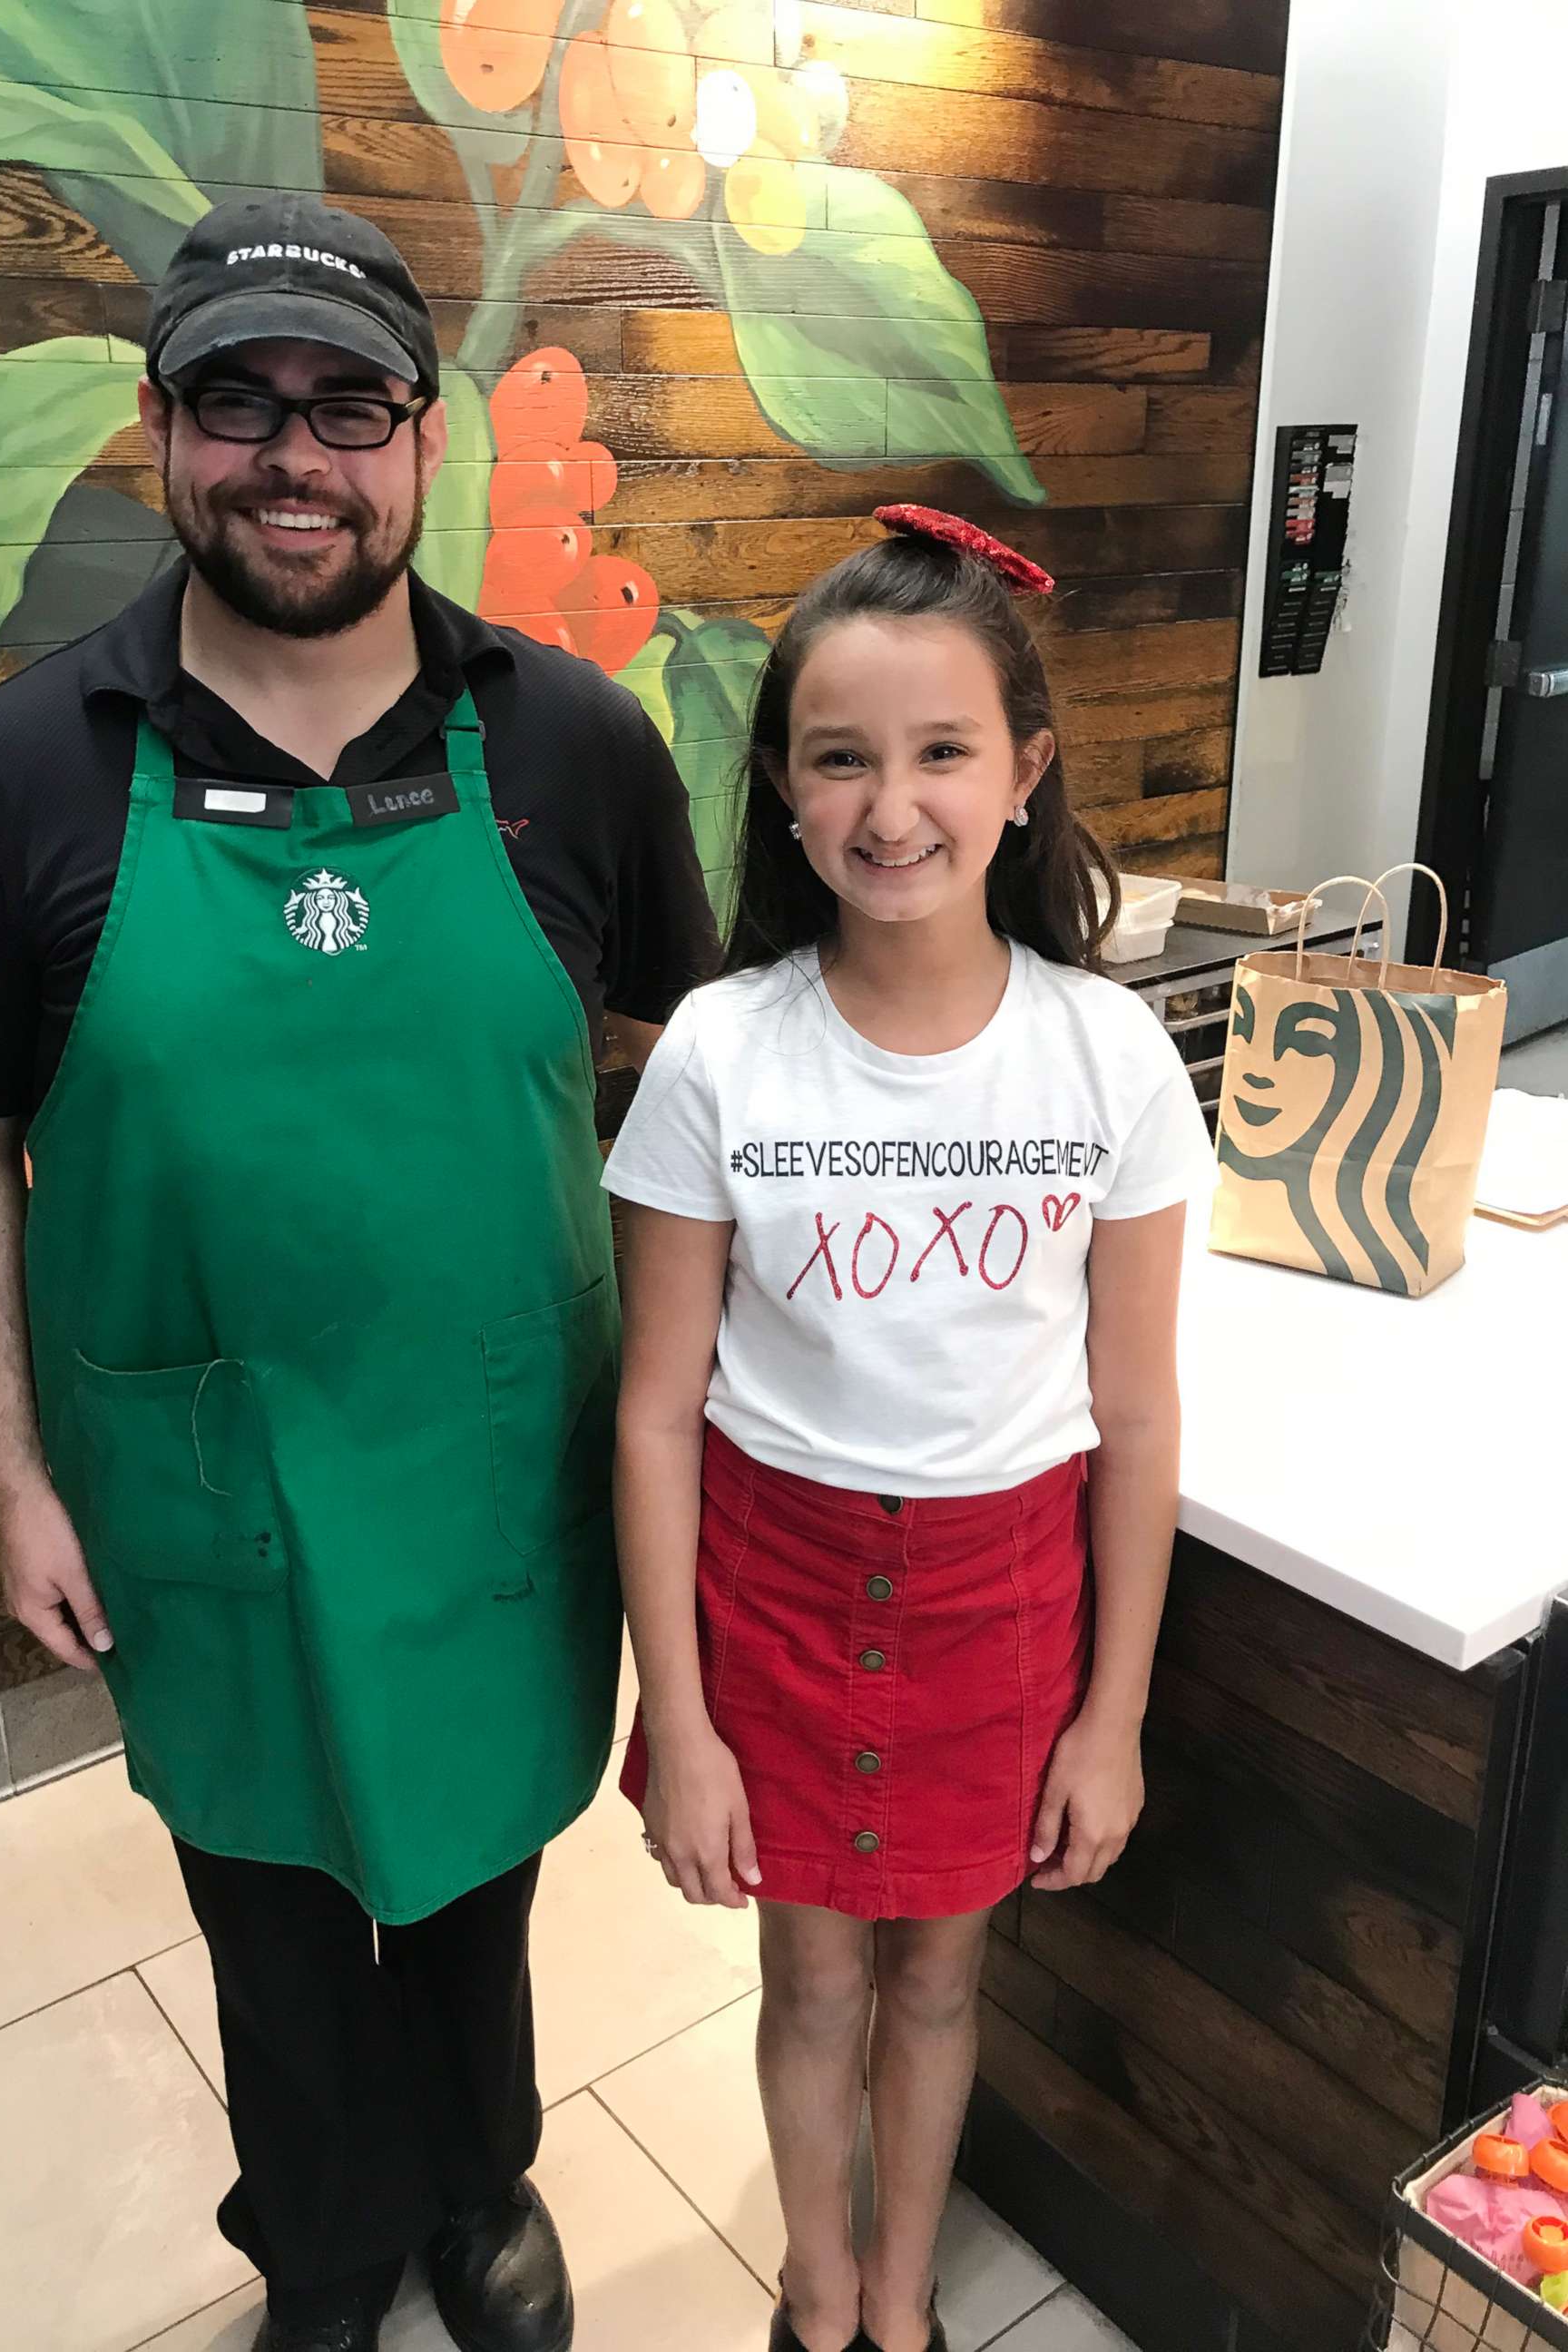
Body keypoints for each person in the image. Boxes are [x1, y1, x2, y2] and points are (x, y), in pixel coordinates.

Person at [0, 193, 716, 2352]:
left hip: (496, 1476)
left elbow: (708, 1103)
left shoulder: (579, 746)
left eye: (347, 407)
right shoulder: (15, 770)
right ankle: (326, 2255)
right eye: (238, 403)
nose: (293, 457)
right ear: (159, 428)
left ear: (426, 443)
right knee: (269, 1902)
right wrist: (23, 1480)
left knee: (477, 1875)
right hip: (200, 1476)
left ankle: (482, 2191)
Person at [601, 507, 1216, 2352]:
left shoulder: (1106, 1057)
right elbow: (653, 1415)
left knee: (943, 1981)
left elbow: (1134, 1406)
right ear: (783, 793)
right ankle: (817, 2287)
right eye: (841, 759)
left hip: (1005, 1591)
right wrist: (681, 1723)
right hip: (773, 1586)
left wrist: (1110, 1719)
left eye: (942, 751)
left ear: (1025, 772)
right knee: (808, 1976)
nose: (892, 808)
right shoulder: (721, 1049)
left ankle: (904, 2305)